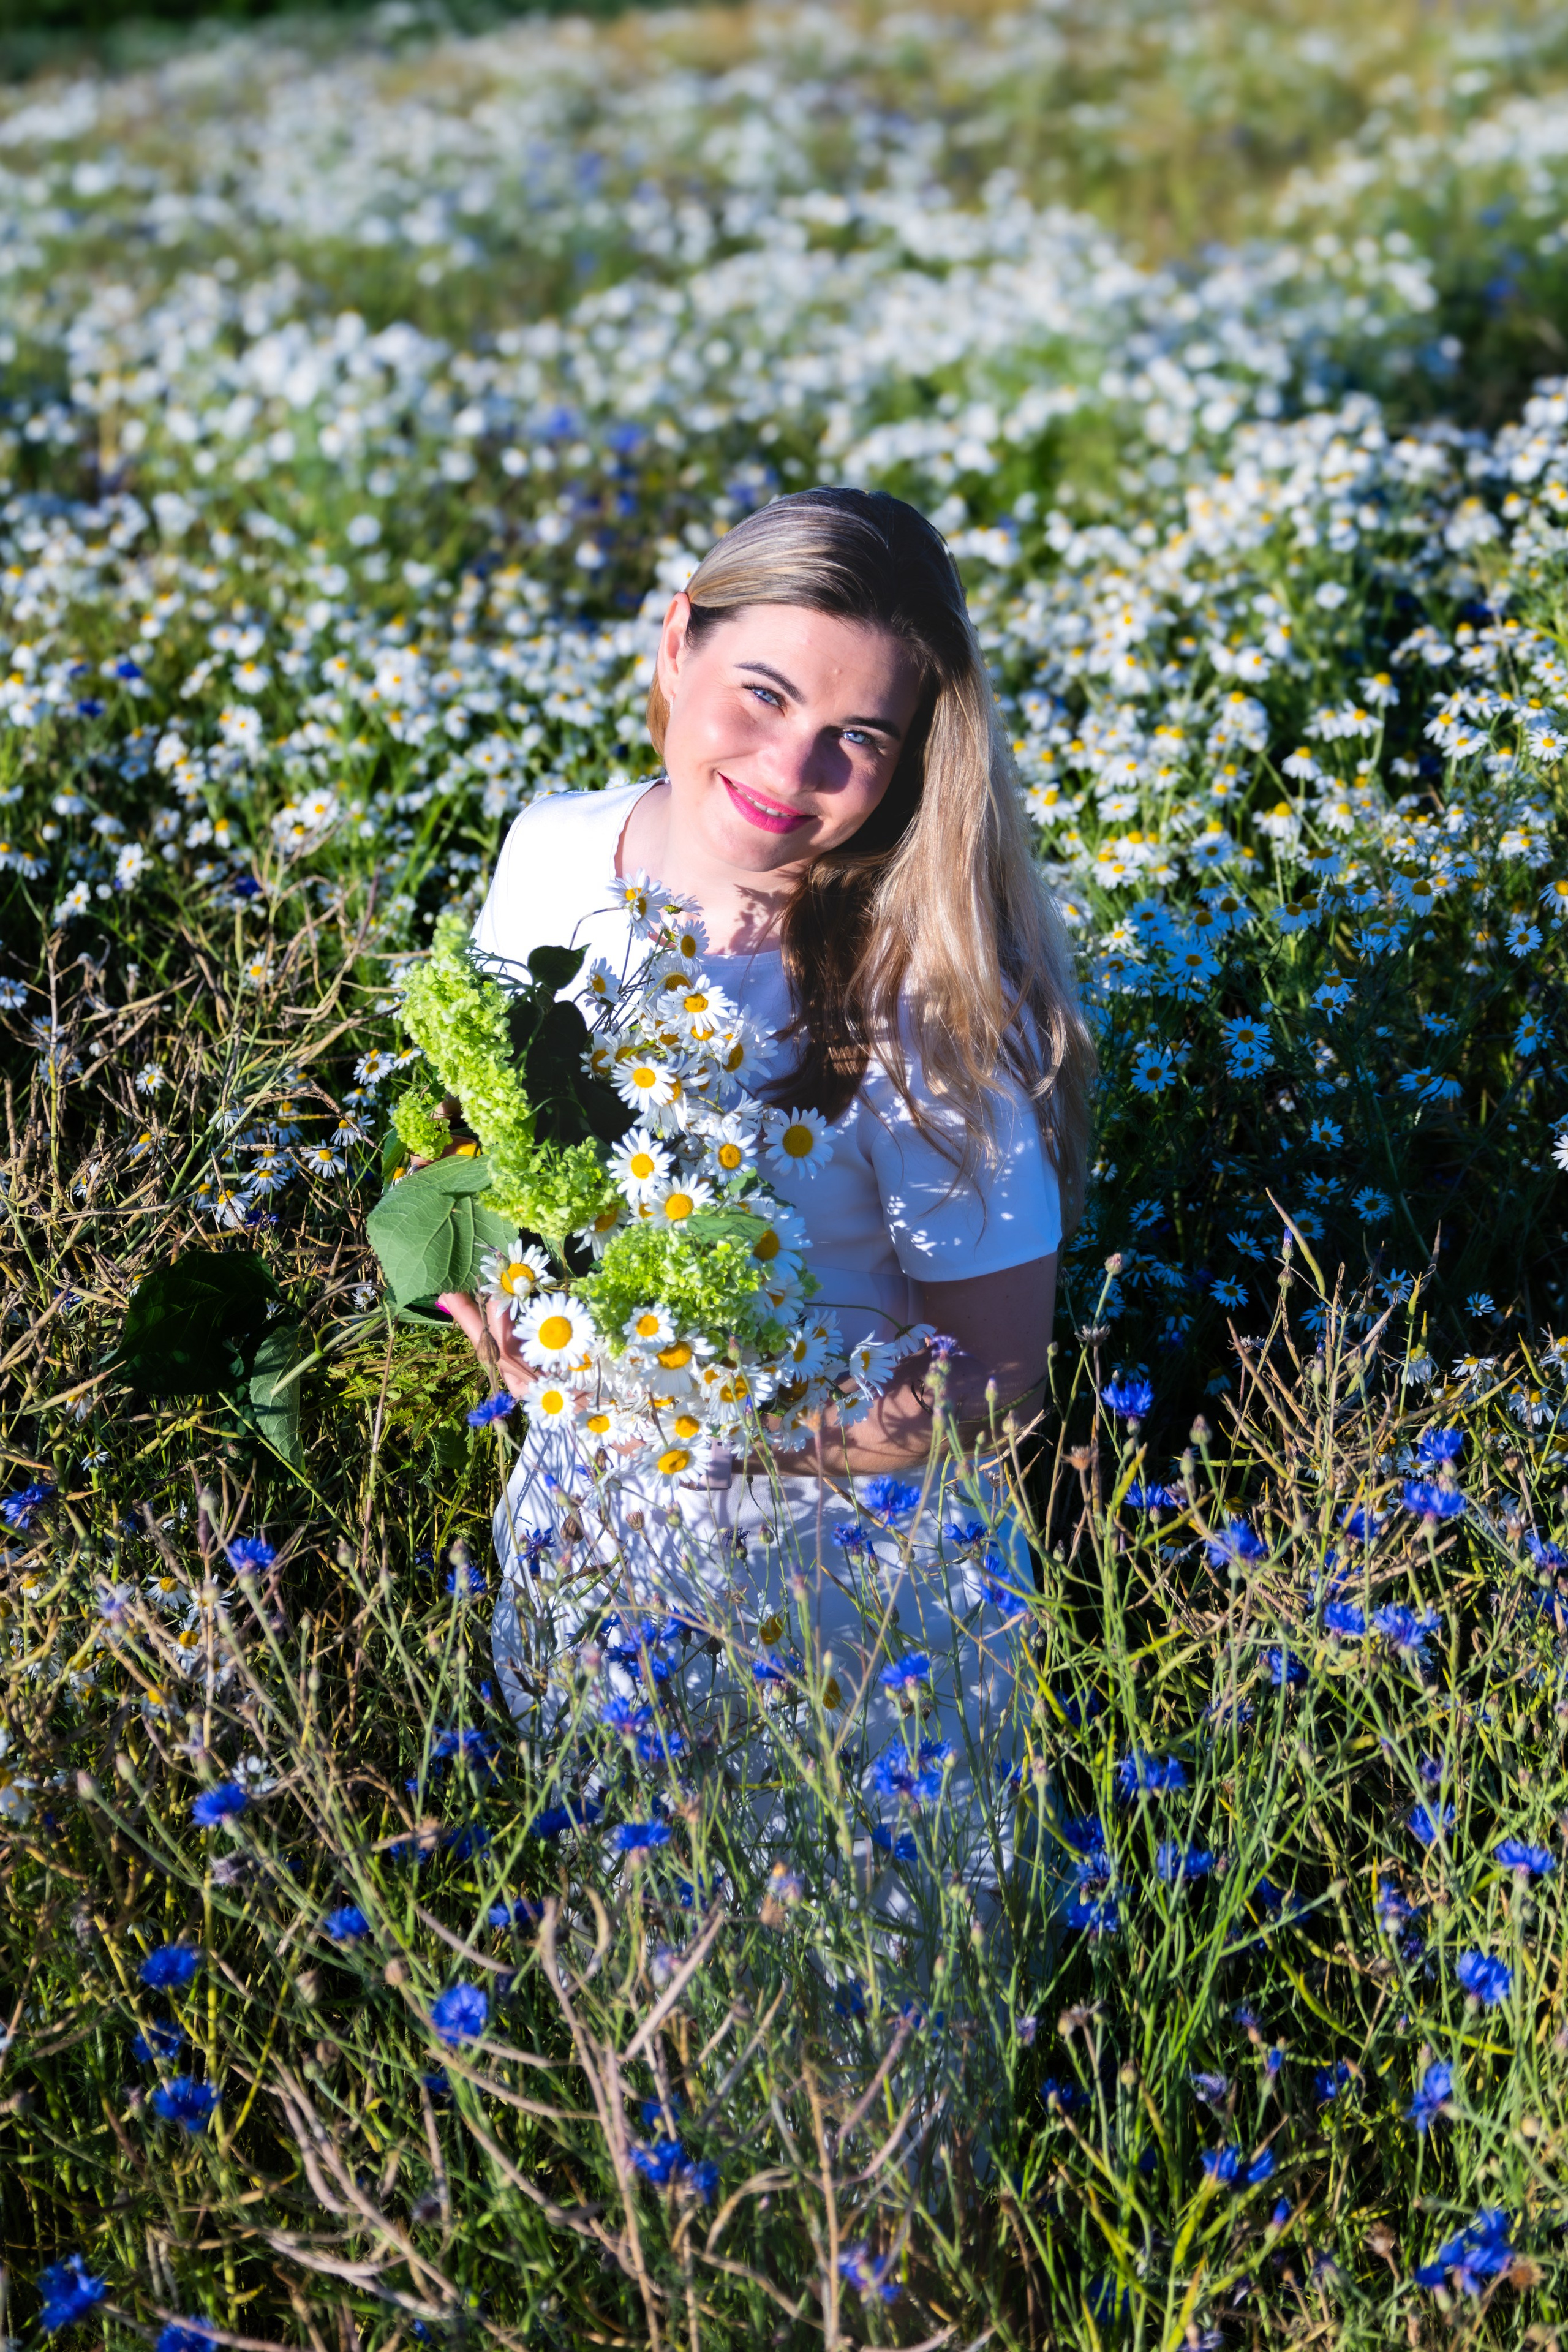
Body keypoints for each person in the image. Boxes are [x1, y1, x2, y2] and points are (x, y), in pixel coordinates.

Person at [440, 487, 1093, 1941]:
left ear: (910, 762)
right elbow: (488, 1122)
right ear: (675, 644)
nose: (788, 767)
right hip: (594, 1532)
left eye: (855, 739)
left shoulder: (917, 997)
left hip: (855, 1589)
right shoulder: (553, 854)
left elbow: (995, 1383)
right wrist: (486, 1279)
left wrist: (728, 1435)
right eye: (762, 691)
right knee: (622, 1979)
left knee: (855, 2017)